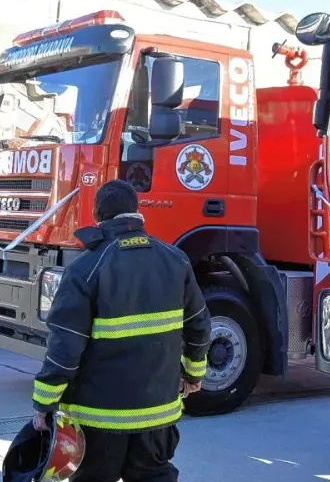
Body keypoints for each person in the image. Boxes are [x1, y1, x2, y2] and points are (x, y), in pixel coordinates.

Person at [30, 179, 212, 482]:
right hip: (158, 416)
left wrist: (44, 404)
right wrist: (193, 375)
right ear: (136, 212)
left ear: (97, 216)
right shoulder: (175, 260)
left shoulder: (84, 269)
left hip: (98, 420)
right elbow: (199, 327)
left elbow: (65, 349)